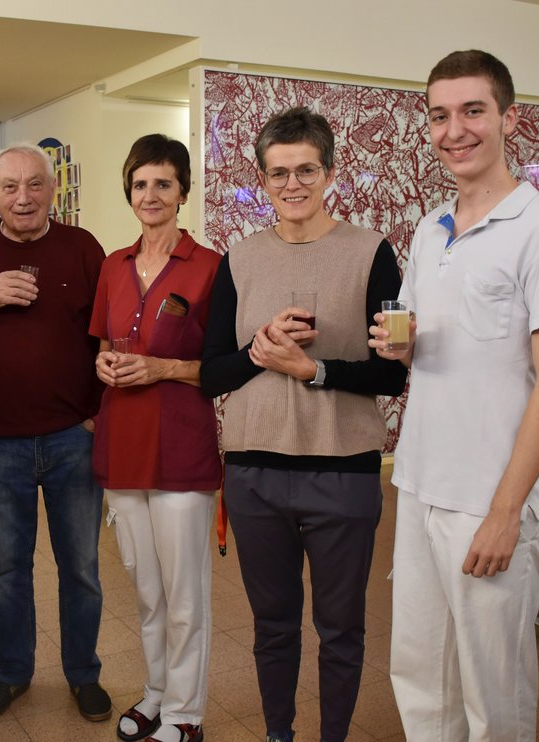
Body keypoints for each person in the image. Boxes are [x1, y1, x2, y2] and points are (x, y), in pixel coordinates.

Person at [371, 50, 539, 741]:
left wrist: (505, 512)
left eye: (472, 111)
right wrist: (399, 347)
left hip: (489, 499)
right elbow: (422, 340)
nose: (453, 130)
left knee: (491, 693)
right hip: (419, 484)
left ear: (508, 118)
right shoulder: (429, 228)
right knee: (418, 671)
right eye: (439, 115)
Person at [200, 107, 408, 742]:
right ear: (262, 180)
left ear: (330, 172)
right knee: (274, 626)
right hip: (254, 474)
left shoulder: (371, 253)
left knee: (341, 627)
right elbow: (213, 373)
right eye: (278, 173)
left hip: (341, 472)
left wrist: (312, 370)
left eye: (306, 171)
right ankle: (278, 734)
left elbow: (390, 375)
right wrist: (261, 348)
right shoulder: (238, 259)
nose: (293, 185)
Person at [0, 143, 111, 723]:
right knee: (7, 570)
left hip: (72, 438)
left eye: (34, 184)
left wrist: (97, 414)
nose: (23, 197)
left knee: (80, 566)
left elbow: (105, 337)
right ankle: (13, 672)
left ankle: (83, 673)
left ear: (53, 189)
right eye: (10, 187)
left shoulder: (84, 248)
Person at [90, 134, 221, 742]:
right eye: (140, 184)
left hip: (181, 450)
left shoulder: (211, 267)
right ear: (129, 191)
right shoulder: (113, 266)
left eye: (163, 184)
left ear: (183, 192)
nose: (151, 195)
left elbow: (225, 365)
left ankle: (187, 714)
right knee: (146, 591)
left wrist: (164, 369)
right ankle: (156, 692)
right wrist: (104, 365)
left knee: (184, 593)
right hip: (123, 447)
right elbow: (103, 343)